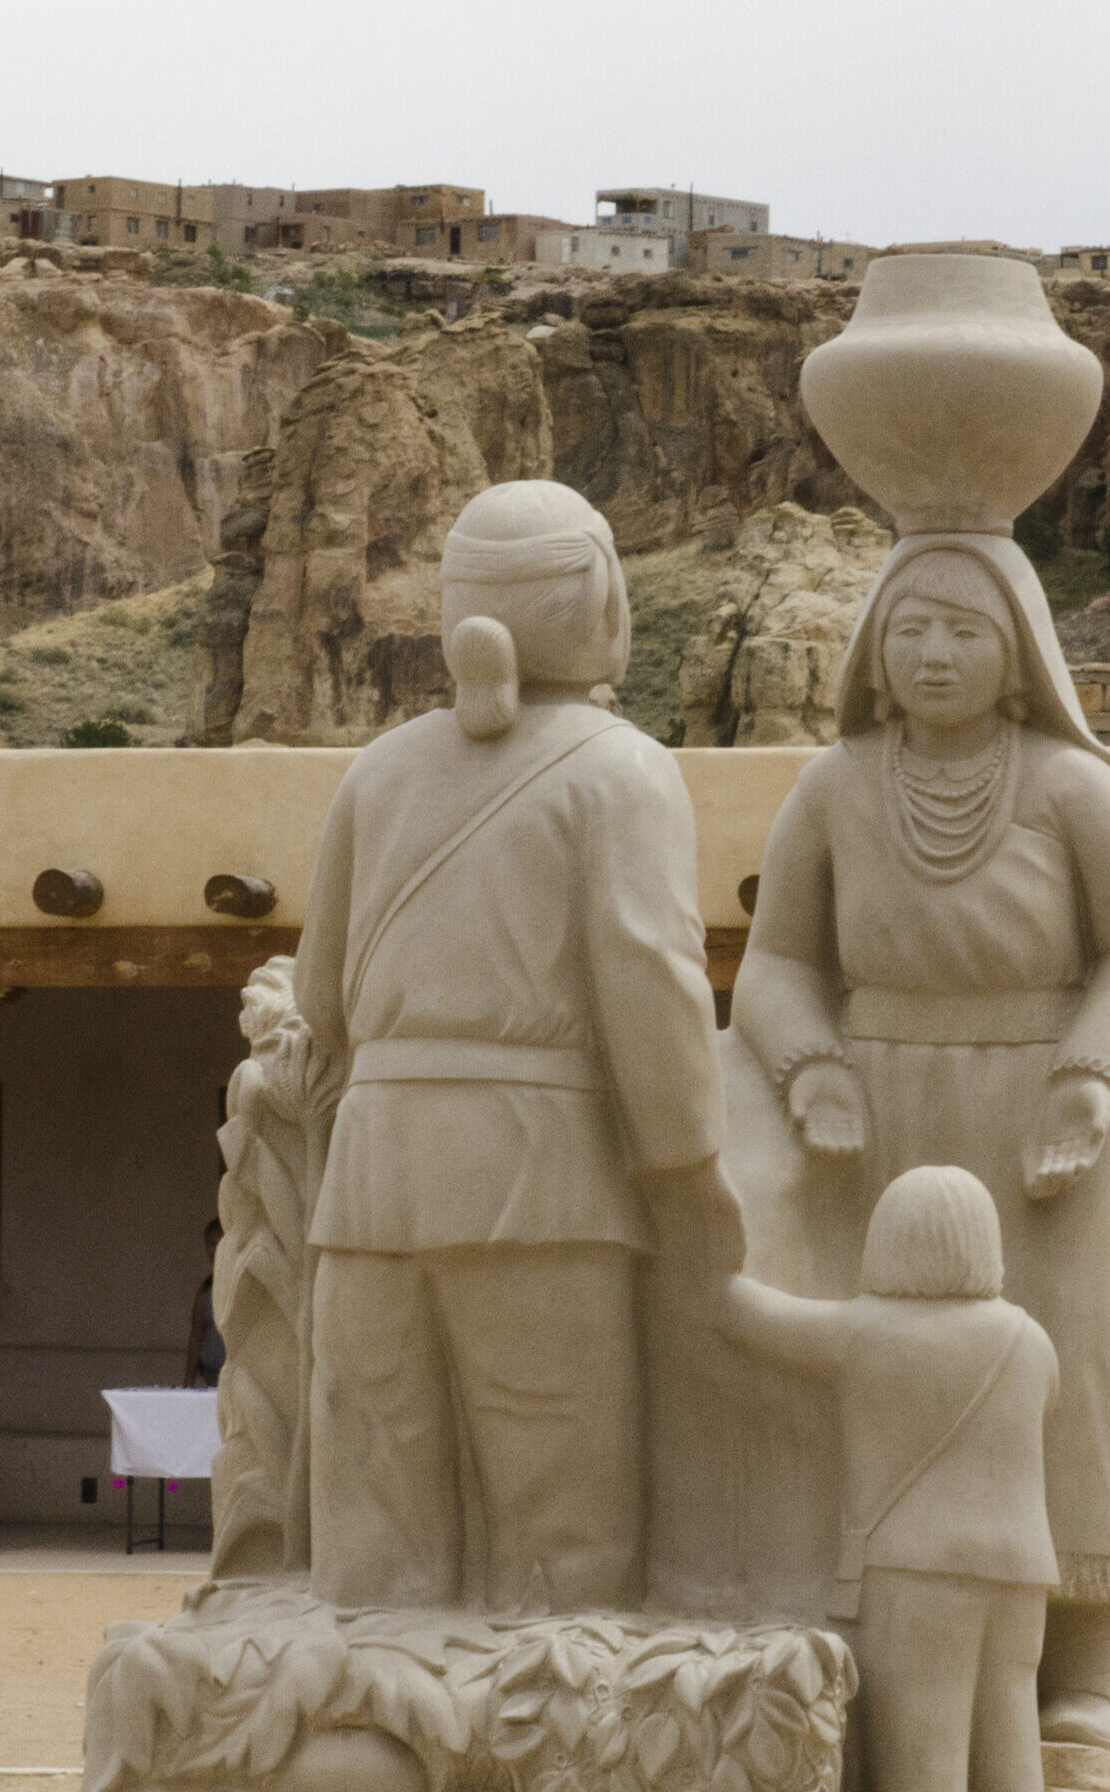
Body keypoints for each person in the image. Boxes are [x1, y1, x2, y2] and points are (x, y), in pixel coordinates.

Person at [730, 534, 1110, 1747]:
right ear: (874, 657)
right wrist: (811, 1065)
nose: (934, 654)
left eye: (964, 632)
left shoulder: (1067, 785)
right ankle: (869, 1633)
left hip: (1041, 1117)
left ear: (1018, 658)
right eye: (910, 631)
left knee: (1075, 1379)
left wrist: (1094, 1077)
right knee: (873, 1375)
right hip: (872, 1118)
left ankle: (1086, 1662)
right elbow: (778, 961)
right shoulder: (834, 785)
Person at [293, 479, 732, 1613]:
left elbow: (319, 996)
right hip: (541, 1178)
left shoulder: (377, 770)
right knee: (561, 1526)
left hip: (374, 1177)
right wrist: (692, 1165)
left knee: (375, 1528)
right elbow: (652, 986)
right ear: (597, 602)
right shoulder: (621, 768)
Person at [711, 1166, 1057, 1792]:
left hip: (915, 1572)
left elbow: (746, 1314)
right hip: (1022, 1572)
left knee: (926, 1751)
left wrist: (698, 1251)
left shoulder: (863, 1334)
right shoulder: (1029, 1342)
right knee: (1010, 1736)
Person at [183, 1219, 225, 1389]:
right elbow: (196, 1337)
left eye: (218, 1243)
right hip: (211, 1379)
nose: (213, 1250)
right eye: (209, 1244)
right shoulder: (206, 1288)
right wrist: (188, 1383)